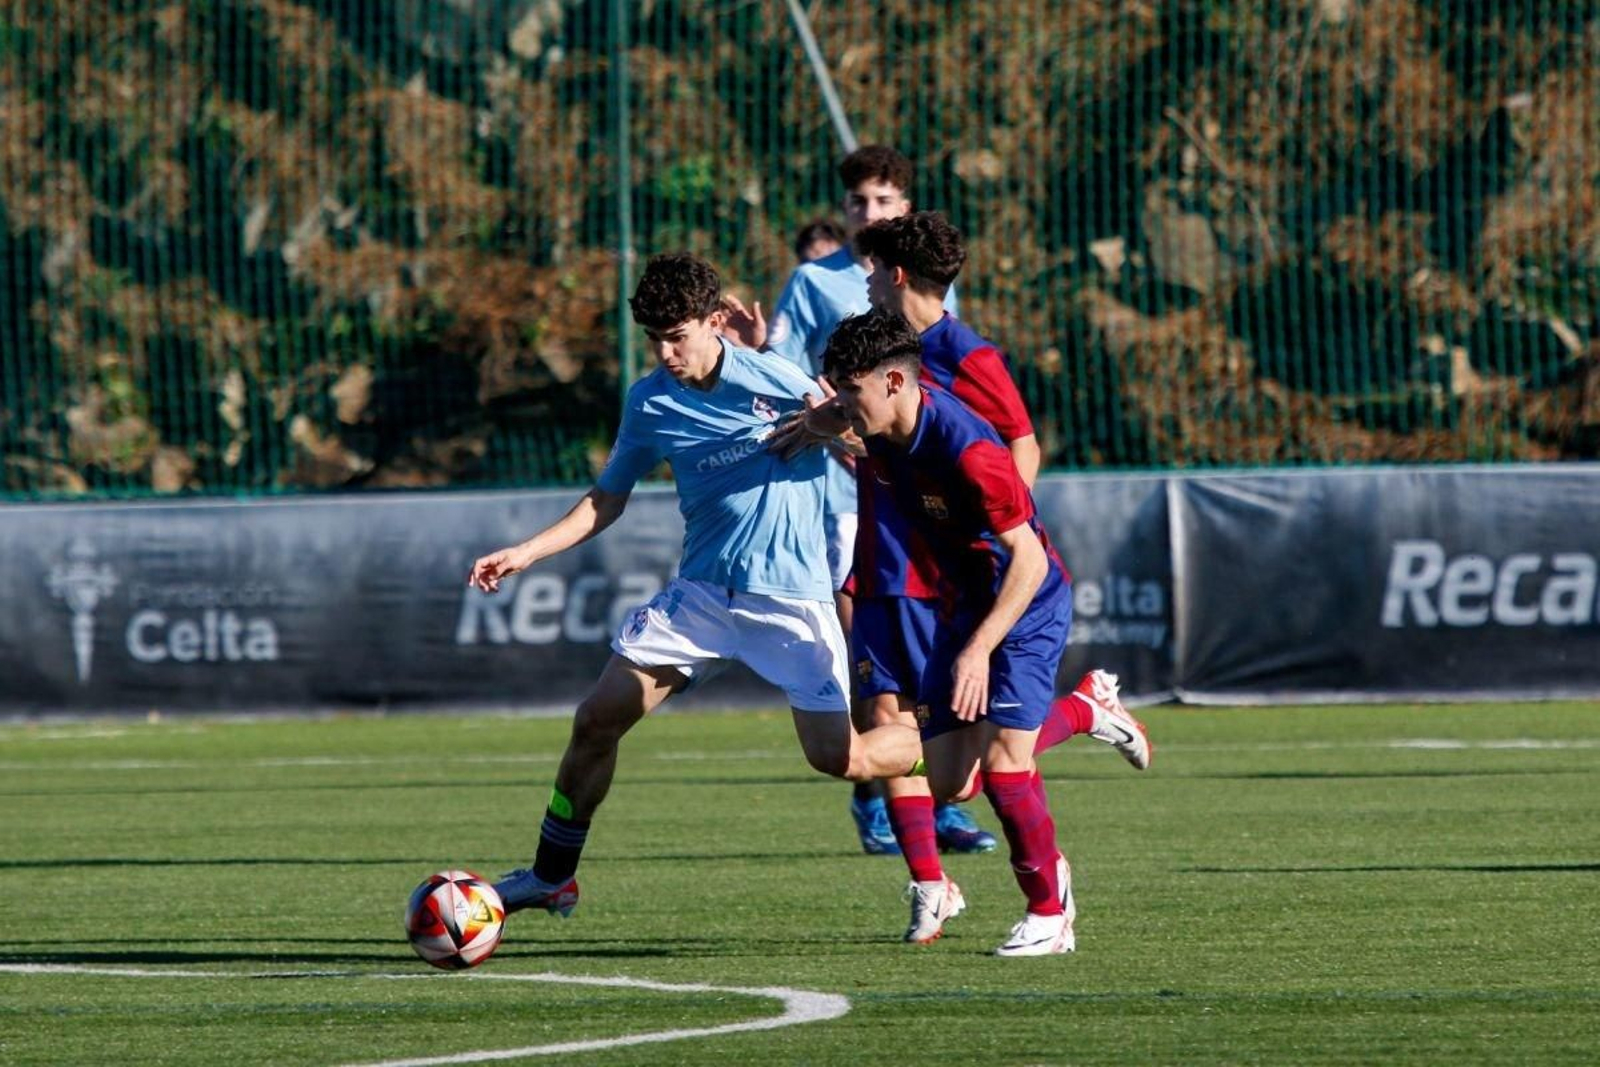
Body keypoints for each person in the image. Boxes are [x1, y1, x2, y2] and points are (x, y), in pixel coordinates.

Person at [466, 253, 923, 922]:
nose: (666, 351)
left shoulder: (773, 376)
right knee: (596, 720)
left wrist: (835, 428)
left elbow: (864, 436)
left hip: (789, 599)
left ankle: (946, 735)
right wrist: (526, 551)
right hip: (704, 598)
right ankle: (551, 874)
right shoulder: (648, 401)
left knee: (843, 758)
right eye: (654, 338)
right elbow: (605, 500)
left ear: (715, 320)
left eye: (677, 335)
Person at [785, 307, 1149, 956]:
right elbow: (851, 426)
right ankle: (1085, 708)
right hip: (960, 604)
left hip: (1024, 604)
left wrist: (980, 648)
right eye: (837, 386)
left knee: (1009, 766)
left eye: (852, 388)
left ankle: (1048, 913)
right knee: (954, 780)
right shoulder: (884, 423)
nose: (843, 399)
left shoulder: (971, 449)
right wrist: (822, 423)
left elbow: (1030, 559)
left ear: (894, 383)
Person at [723, 145, 993, 857]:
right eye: (857, 203)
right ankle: (876, 795)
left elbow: (935, 383)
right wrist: (781, 374)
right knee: (866, 656)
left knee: (934, 652)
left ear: (904, 208)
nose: (868, 214)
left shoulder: (927, 289)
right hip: (847, 499)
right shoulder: (814, 281)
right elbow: (781, 368)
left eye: (883, 202)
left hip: (922, 495)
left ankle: (937, 794)